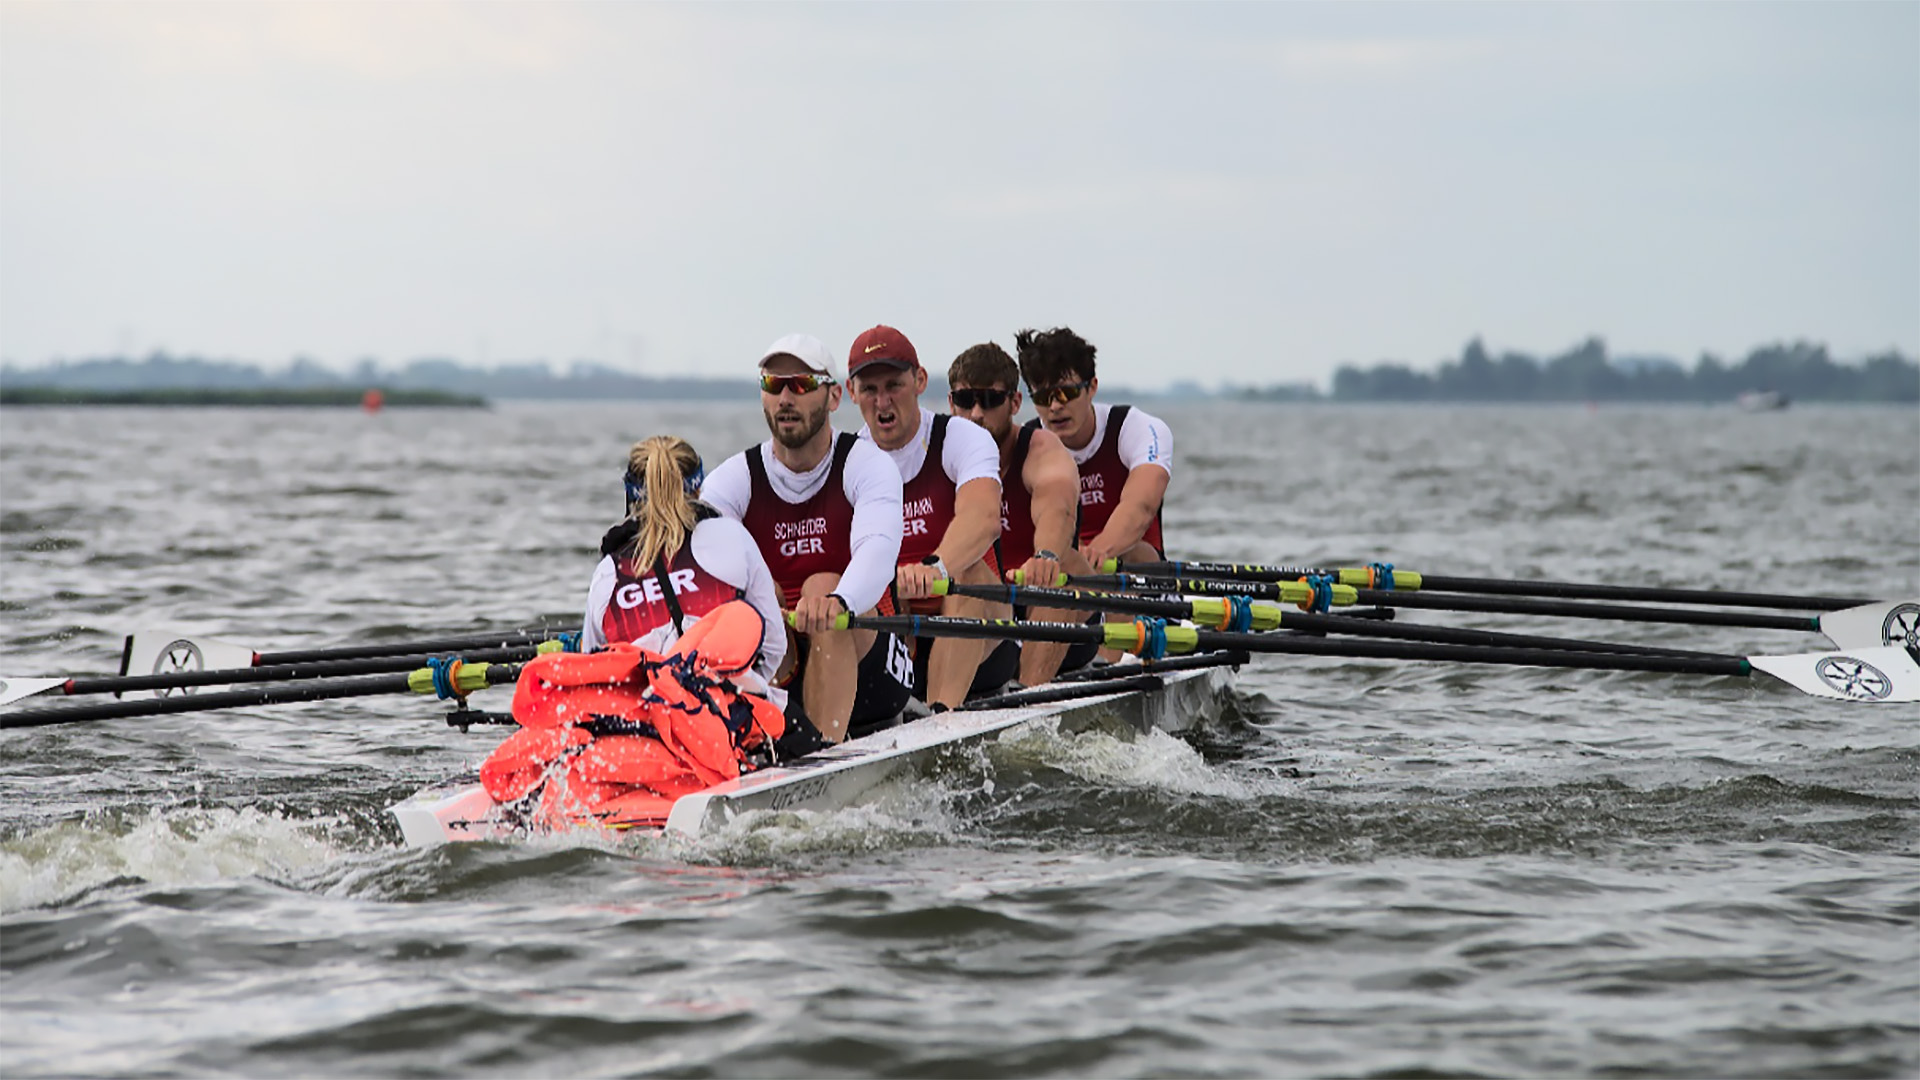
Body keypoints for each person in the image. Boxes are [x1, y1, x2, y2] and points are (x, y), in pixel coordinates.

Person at [701, 333, 914, 744]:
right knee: (749, 596)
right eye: (773, 385)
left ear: (834, 397)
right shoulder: (733, 478)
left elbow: (877, 551)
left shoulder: (867, 464)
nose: (785, 398)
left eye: (799, 385)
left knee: (821, 585)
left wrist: (838, 601)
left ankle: (821, 755)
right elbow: (698, 565)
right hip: (784, 666)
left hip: (874, 668)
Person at [847, 324, 1015, 709]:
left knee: (968, 576)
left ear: (920, 380)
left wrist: (936, 569)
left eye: (894, 385)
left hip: (983, 640)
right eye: (870, 389)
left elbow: (984, 518)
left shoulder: (961, 438)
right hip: (898, 637)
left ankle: (939, 721)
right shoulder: (850, 460)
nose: (882, 401)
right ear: (852, 392)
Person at [581, 435, 786, 695]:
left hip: (641, 724)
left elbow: (592, 667)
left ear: (630, 496)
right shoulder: (732, 537)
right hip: (722, 718)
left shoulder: (608, 573)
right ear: (698, 488)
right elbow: (774, 646)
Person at [945, 341, 1096, 688]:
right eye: (966, 401)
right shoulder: (937, 454)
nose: (977, 414)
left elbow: (1056, 504)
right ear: (951, 404)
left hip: (1055, 614)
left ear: (1014, 403)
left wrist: (1045, 555)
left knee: (1065, 565)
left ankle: (1028, 696)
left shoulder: (1041, 449)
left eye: (991, 400)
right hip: (991, 616)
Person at [1014, 326, 1173, 569]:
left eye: (1066, 393)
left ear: (1092, 388)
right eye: (1043, 397)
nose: (1055, 407)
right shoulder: (1024, 444)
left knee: (1133, 553)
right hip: (1064, 571)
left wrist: (1099, 551)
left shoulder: (1136, 428)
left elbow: (1141, 505)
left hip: (1132, 569)